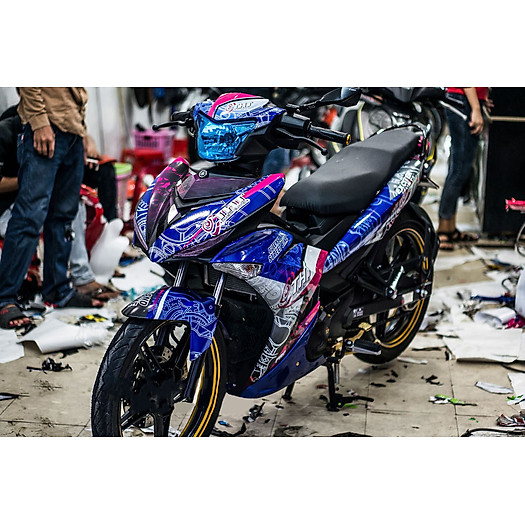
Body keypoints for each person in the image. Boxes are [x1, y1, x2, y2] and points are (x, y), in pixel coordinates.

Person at [0, 88, 101, 330]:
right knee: (29, 216)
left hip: (72, 130)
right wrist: (39, 122)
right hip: (45, 127)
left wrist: (81, 132)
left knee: (63, 216)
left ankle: (58, 290)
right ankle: (5, 299)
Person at [437, 87, 490, 250]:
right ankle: (443, 229)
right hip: (462, 101)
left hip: (467, 100)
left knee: (460, 168)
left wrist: (482, 97)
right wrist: (476, 108)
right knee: (459, 169)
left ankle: (450, 227)